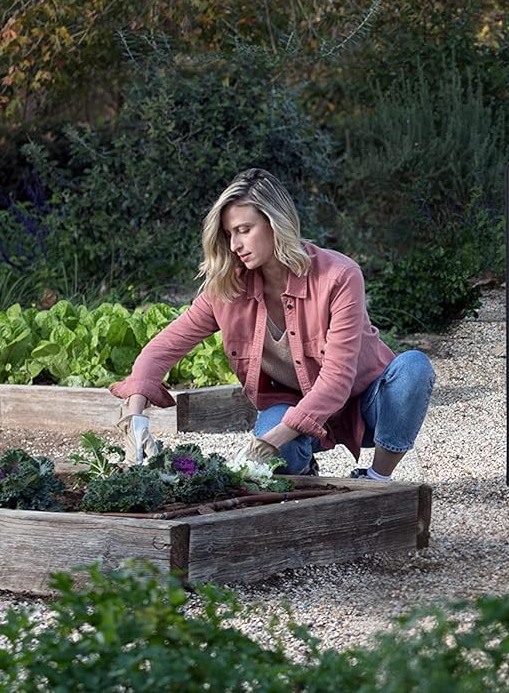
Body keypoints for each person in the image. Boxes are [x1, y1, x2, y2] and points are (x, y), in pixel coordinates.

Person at [111, 168, 434, 480]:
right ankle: (303, 470)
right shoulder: (227, 288)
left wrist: (266, 442)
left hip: (366, 404)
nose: (235, 245)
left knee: (413, 368)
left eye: (244, 230)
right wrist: (134, 415)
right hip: (291, 405)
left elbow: (337, 379)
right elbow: (164, 348)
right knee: (277, 463)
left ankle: (377, 478)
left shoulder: (338, 275)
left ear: (275, 223)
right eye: (228, 234)